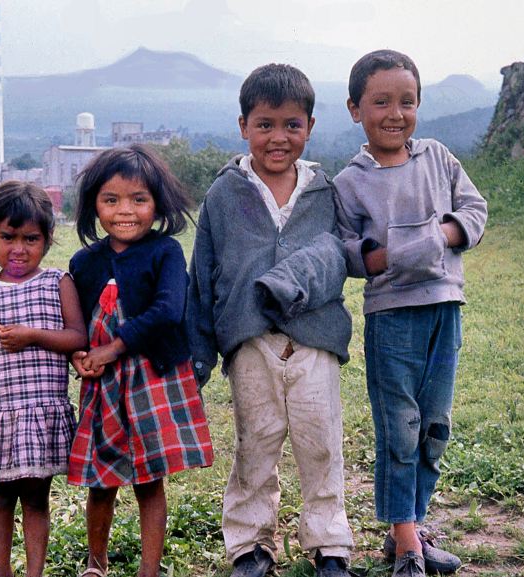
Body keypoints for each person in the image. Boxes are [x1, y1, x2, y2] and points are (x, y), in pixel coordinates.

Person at [187, 63, 355, 577]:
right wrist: (198, 355)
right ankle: (250, 545)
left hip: (315, 340)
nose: (278, 137)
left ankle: (329, 544)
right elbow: (203, 276)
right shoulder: (224, 194)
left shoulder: (325, 192)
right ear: (243, 126)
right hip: (249, 342)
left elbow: (343, 253)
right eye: (265, 124)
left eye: (291, 125)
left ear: (309, 127)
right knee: (254, 444)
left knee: (321, 443)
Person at [334, 49, 488, 577]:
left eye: (407, 101)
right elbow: (349, 252)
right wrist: (397, 254)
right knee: (400, 427)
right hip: (392, 318)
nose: (395, 113)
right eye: (381, 102)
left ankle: (412, 527)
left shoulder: (439, 158)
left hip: (445, 309)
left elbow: (474, 209)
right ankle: (406, 546)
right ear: (355, 108)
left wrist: (440, 235)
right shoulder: (349, 182)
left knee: (434, 425)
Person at [66, 144, 214, 577]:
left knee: (149, 479)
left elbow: (168, 310)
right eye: (111, 200)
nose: (125, 211)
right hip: (104, 385)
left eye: (138, 199)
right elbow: (77, 324)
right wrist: (79, 354)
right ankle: (96, 564)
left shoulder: (165, 251)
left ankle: (149, 569)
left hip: (152, 378)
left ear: (157, 204)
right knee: (101, 478)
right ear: (94, 205)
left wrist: (113, 348)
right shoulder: (84, 263)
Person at [0, 181, 90, 577]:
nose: (19, 249)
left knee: (35, 499)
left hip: (39, 414)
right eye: (8, 237)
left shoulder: (57, 282)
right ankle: (2, 571)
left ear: (47, 240)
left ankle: (34, 572)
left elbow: (77, 337)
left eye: (31, 239)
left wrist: (33, 335)